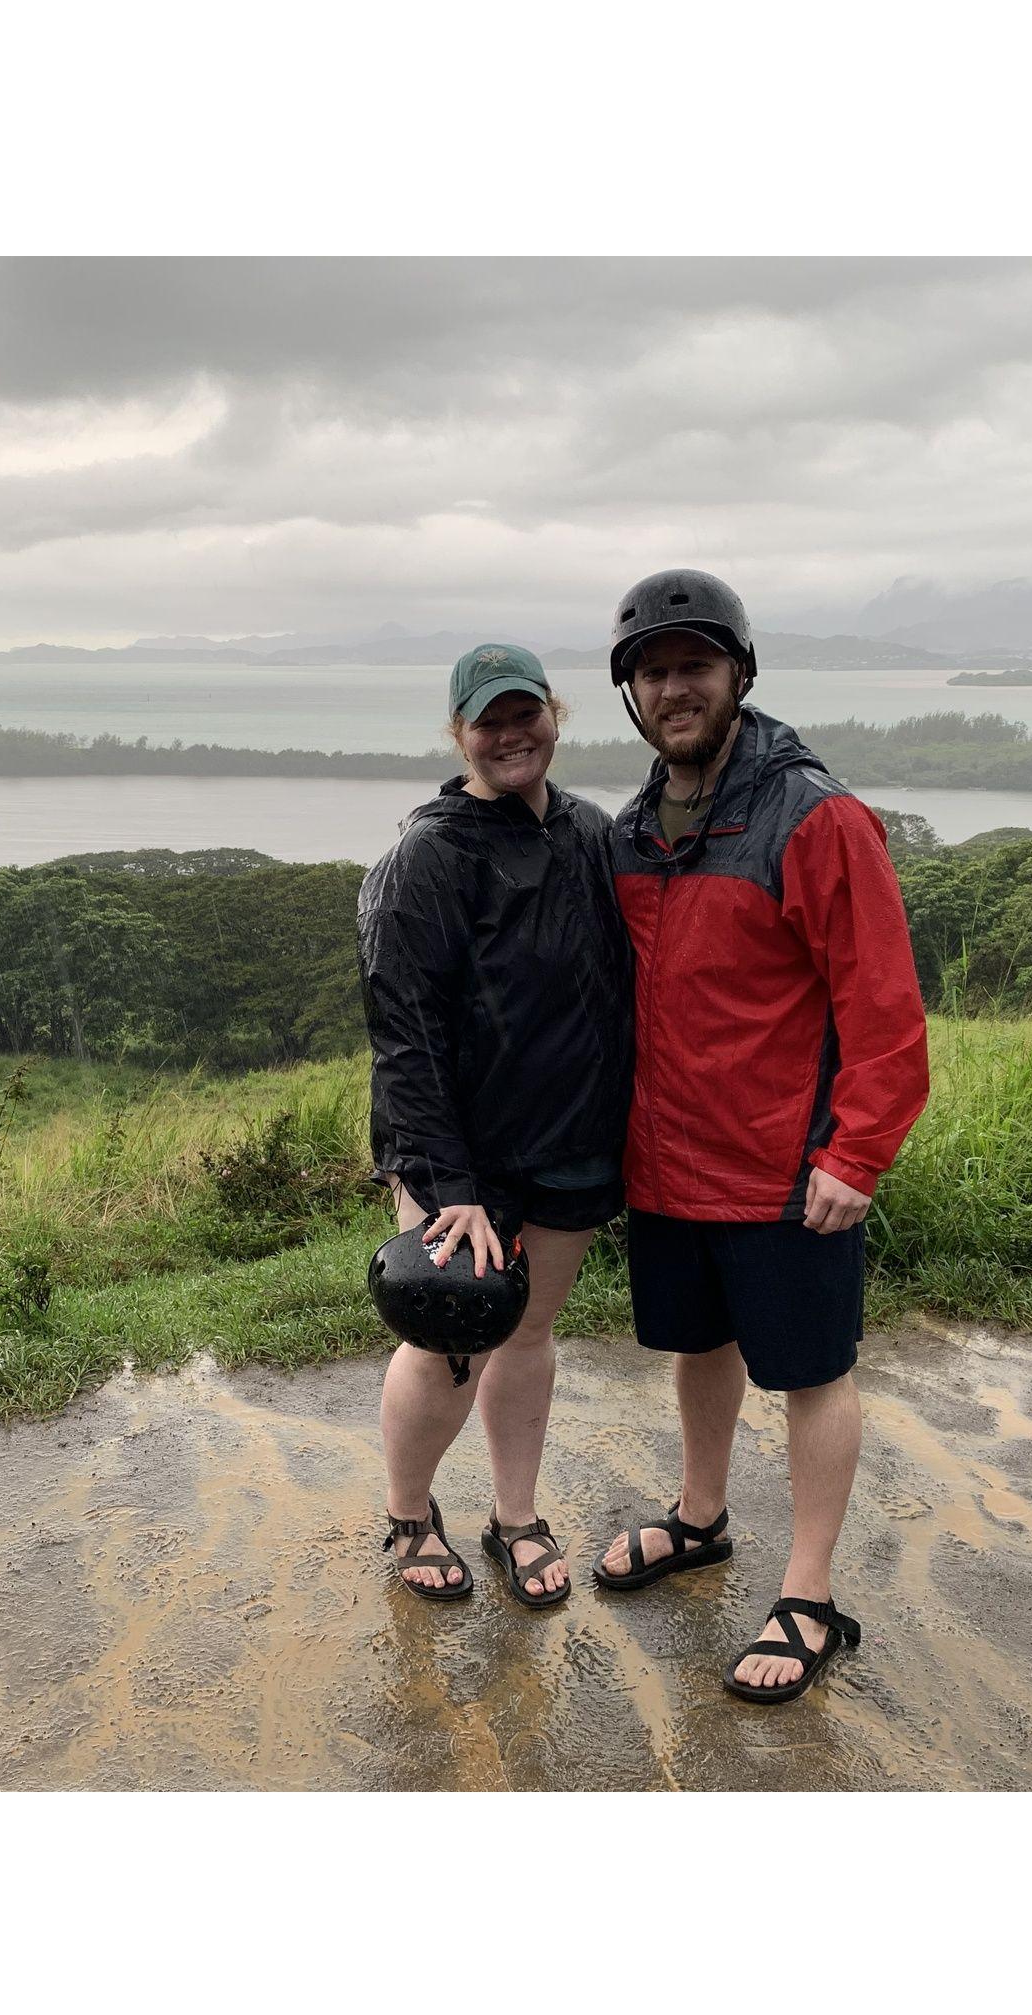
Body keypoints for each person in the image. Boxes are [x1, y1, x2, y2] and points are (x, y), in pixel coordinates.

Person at [592, 569, 930, 1703]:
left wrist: (856, 1150)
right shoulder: (638, 825)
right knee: (700, 1347)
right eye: (652, 670)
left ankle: (810, 1593)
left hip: (787, 1167)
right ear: (629, 693)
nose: (673, 686)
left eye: (694, 664)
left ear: (739, 672)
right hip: (670, 1159)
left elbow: (881, 1003)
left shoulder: (813, 815)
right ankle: (700, 1516)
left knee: (811, 1372)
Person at [357, 643, 633, 1606]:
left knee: (531, 1334)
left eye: (527, 715)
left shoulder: (592, 832)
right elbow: (404, 1031)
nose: (511, 735)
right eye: (490, 721)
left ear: (556, 716)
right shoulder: (427, 857)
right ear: (459, 734)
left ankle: (516, 1515)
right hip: (460, 1159)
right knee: (451, 1338)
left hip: (570, 1137)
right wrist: (450, 1181)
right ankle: (409, 1514)